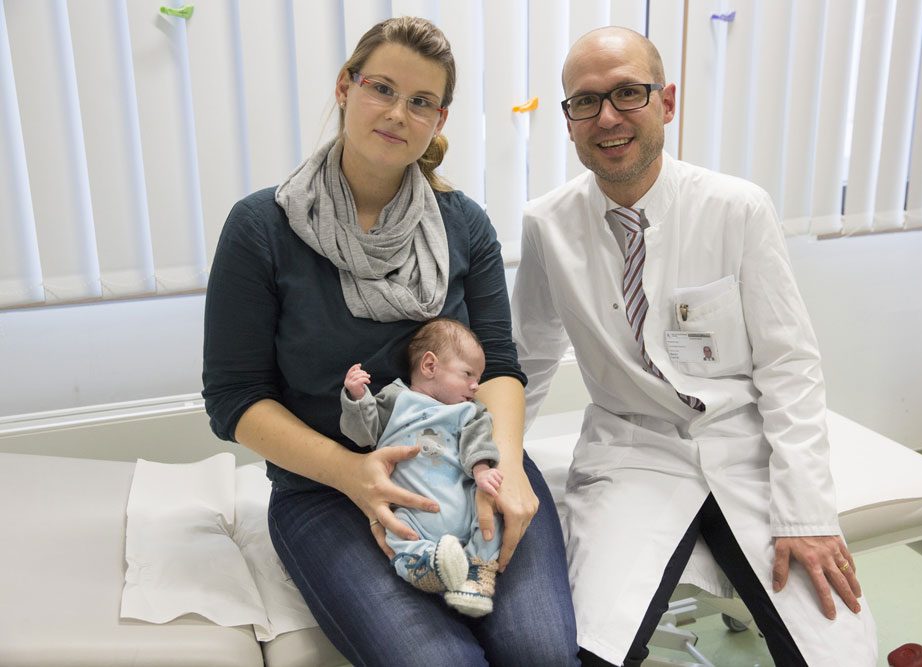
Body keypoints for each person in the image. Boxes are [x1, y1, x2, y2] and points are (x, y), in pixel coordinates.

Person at [202, 16, 578, 666]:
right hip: (327, 492)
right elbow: (234, 400)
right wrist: (353, 473)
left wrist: (507, 467)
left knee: (541, 651)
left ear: (439, 119)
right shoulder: (261, 228)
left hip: (469, 464)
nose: (398, 112)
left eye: (421, 101)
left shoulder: (465, 226)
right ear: (346, 87)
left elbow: (501, 366)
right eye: (382, 88)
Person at [511, 26, 878, 667]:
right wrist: (491, 462)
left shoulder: (737, 209)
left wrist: (808, 513)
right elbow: (530, 357)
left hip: (747, 452)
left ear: (668, 102)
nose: (608, 117)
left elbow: (789, 366)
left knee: (839, 653)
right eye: (586, 101)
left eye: (629, 93)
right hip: (632, 453)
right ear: (568, 120)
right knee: (591, 653)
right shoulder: (548, 223)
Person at [339, 318, 504, 617]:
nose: (475, 385)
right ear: (430, 366)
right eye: (468, 374)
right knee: (398, 533)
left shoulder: (468, 410)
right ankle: (426, 566)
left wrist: (482, 470)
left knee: (492, 517)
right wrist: (358, 398)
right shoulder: (395, 399)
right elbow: (363, 434)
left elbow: (478, 441)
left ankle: (475, 575)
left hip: (463, 503)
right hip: (413, 513)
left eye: (477, 377)